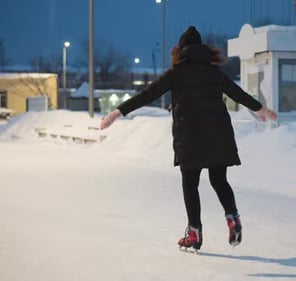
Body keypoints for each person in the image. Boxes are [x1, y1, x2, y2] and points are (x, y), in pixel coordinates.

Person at [100, 26, 277, 251]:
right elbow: (238, 93)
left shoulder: (177, 73)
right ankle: (232, 217)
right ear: (203, 49)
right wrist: (262, 110)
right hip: (217, 133)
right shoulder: (214, 73)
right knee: (218, 179)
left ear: (181, 50)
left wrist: (118, 112)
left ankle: (194, 233)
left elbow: (148, 94)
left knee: (190, 184)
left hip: (190, 136)